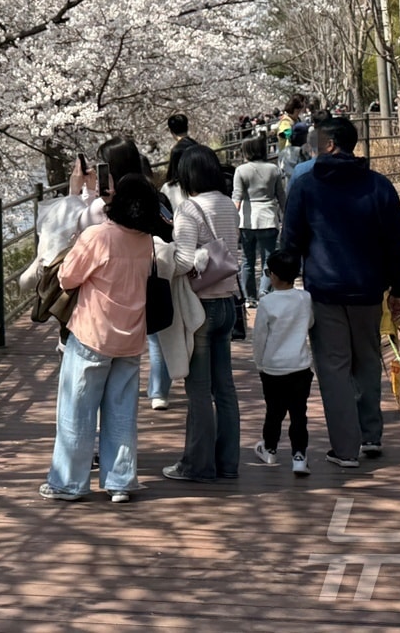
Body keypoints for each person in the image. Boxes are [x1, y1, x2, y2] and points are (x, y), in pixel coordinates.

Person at [281, 115, 400, 470]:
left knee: (333, 367)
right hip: (369, 288)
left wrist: (283, 285)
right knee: (367, 360)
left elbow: (291, 241)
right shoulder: (379, 186)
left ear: (331, 145)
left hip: (324, 289)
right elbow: (396, 243)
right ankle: (370, 434)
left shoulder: (305, 187)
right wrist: (398, 288)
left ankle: (346, 448)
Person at [40, 174, 166, 504]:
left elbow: (67, 277)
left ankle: (69, 482)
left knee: (77, 411)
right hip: (131, 336)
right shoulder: (144, 240)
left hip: (92, 334)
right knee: (122, 413)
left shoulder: (98, 236)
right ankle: (120, 481)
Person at [163, 144, 242, 483]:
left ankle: (196, 464)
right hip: (228, 302)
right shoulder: (227, 204)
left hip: (200, 307)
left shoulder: (188, 209)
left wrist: (162, 255)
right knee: (224, 388)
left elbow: (182, 261)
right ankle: (228, 462)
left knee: (198, 390)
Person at [250, 248, 313, 477]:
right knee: (299, 413)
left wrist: (259, 362)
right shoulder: (305, 298)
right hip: (300, 365)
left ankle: (269, 449)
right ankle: (299, 456)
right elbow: (311, 322)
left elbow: (259, 337)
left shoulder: (267, 302)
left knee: (274, 412)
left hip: (273, 368)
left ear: (273, 275)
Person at [232, 136, 285, 307]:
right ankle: (265, 290)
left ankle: (250, 298)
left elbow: (237, 198)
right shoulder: (273, 169)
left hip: (247, 219)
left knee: (247, 260)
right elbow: (281, 196)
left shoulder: (241, 170)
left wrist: (233, 221)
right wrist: (286, 215)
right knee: (268, 259)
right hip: (268, 217)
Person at [164, 113, 199, 185]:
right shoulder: (197, 146)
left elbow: (172, 177)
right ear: (187, 128)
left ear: (171, 132)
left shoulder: (177, 150)